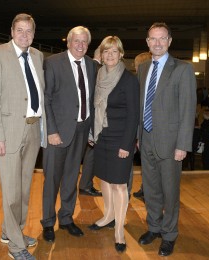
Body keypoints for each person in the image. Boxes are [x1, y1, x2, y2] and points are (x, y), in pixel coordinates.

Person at [0, 13, 46, 260]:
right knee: (11, 191)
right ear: (11, 31)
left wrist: (42, 131)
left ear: (33, 33)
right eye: (19, 30)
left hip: (32, 129)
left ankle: (12, 232)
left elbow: (38, 95)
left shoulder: (38, 56)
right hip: (8, 133)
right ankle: (16, 247)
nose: (24, 35)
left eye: (28, 30)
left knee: (23, 189)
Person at [137, 22, 197, 257]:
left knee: (170, 192)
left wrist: (183, 144)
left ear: (170, 41)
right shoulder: (142, 68)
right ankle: (154, 227)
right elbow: (141, 106)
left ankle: (169, 234)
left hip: (172, 144)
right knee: (150, 190)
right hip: (147, 139)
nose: (158, 43)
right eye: (153, 39)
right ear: (147, 42)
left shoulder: (182, 69)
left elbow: (187, 109)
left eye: (162, 38)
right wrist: (138, 137)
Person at [41, 26, 97, 243]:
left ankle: (66, 218)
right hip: (58, 133)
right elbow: (46, 99)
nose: (80, 45)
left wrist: (91, 129)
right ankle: (47, 222)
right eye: (77, 41)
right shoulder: (53, 63)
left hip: (82, 131)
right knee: (52, 180)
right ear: (68, 42)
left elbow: (91, 100)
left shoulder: (92, 65)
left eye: (84, 42)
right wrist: (51, 131)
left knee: (72, 177)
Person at [88, 36, 139, 253]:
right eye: (105, 51)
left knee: (119, 184)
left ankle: (119, 228)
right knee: (105, 180)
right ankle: (108, 216)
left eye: (114, 51)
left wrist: (127, 144)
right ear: (101, 54)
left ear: (121, 54)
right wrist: (92, 132)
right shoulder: (98, 76)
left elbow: (134, 115)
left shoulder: (128, 79)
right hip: (101, 136)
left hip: (120, 139)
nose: (109, 55)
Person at [79, 46, 102, 197]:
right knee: (92, 154)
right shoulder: (96, 69)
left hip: (88, 119)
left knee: (90, 154)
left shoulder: (90, 67)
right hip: (92, 120)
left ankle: (85, 184)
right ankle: (86, 184)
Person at [131, 51, 152, 200]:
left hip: (139, 128)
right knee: (147, 164)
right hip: (141, 128)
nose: (135, 67)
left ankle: (147, 190)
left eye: (137, 65)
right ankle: (145, 189)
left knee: (147, 164)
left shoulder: (139, 81)